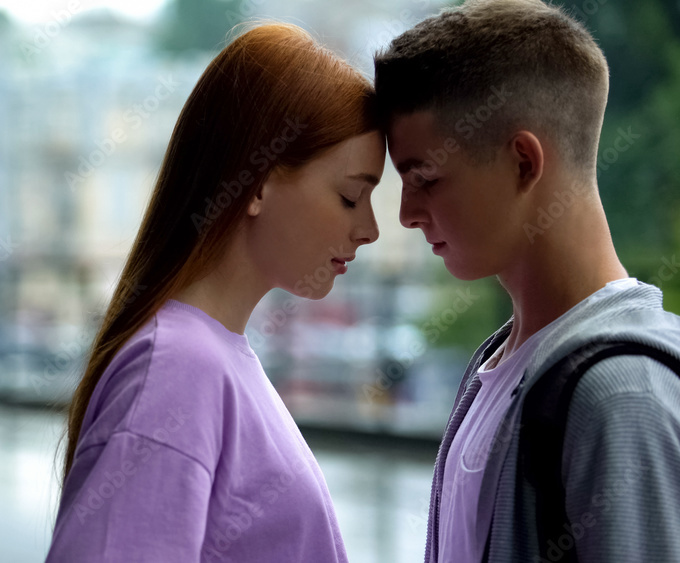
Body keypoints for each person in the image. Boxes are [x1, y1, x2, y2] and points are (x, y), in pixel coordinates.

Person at [46, 22, 384, 562]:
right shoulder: (181, 368)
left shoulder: (210, 358)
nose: (370, 229)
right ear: (257, 185)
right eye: (350, 196)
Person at [374, 1, 680, 561]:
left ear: (522, 162)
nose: (406, 214)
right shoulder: (499, 364)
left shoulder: (620, 393)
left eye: (426, 179)